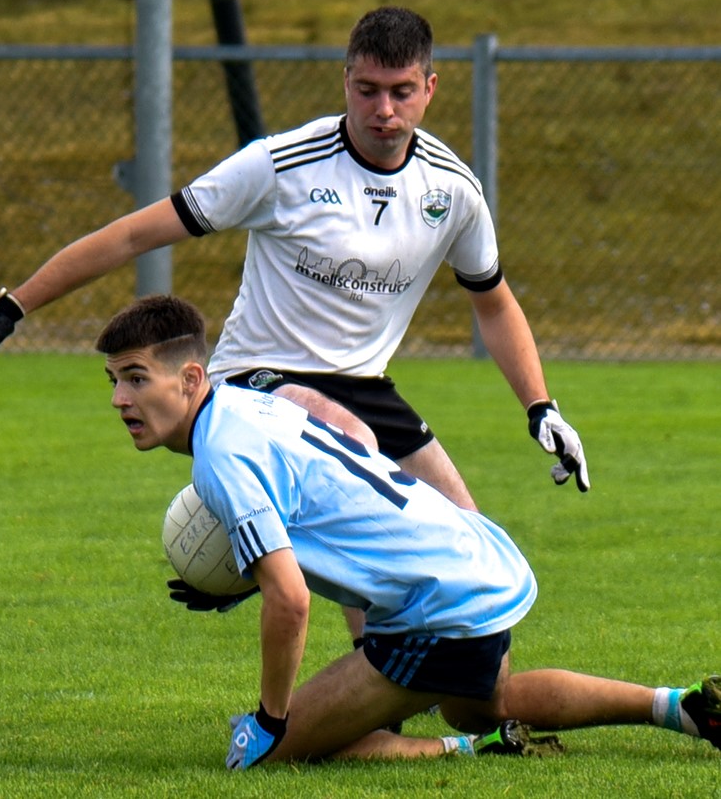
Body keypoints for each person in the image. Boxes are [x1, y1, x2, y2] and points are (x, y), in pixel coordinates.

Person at [0, 6, 587, 637]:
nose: (384, 111)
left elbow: (495, 302)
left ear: (430, 88)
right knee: (351, 446)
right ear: (345, 81)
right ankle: (364, 683)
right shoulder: (281, 165)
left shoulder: (452, 190)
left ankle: (494, 709)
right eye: (367, 90)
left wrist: (541, 407)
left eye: (401, 92)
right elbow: (132, 235)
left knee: (469, 541)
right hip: (256, 378)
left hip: (366, 384)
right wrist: (16, 306)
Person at [96, 294, 718, 770]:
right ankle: (677, 706)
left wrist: (270, 718)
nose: (121, 399)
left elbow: (292, 600)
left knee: (261, 753)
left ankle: (460, 752)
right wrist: (248, 573)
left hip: (437, 604)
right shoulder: (244, 404)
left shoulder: (221, 454)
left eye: (136, 377)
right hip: (471, 559)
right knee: (485, 703)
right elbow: (326, 506)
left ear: (191, 378)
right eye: (115, 381)